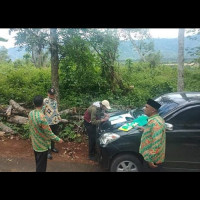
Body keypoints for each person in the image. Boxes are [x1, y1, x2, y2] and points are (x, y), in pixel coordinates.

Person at [28, 95, 63, 172]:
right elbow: (49, 133)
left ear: (34, 103)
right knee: (41, 167)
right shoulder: (42, 118)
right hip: (42, 146)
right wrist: (58, 139)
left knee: (38, 163)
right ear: (42, 104)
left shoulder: (31, 113)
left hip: (35, 144)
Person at [138, 98, 166, 172]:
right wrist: (145, 129)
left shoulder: (156, 123)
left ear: (153, 110)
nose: (144, 109)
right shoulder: (154, 119)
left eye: (146, 107)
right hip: (149, 157)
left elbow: (157, 142)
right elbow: (153, 133)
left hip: (153, 160)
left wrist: (150, 160)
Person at [42, 88, 61, 160]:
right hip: (47, 121)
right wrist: (42, 119)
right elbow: (42, 110)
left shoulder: (55, 101)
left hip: (55, 121)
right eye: (50, 94)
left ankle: (52, 147)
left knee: (54, 135)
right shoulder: (45, 101)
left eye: (53, 94)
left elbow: (56, 110)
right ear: (48, 94)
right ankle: (48, 151)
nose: (52, 95)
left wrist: (59, 117)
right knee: (48, 136)